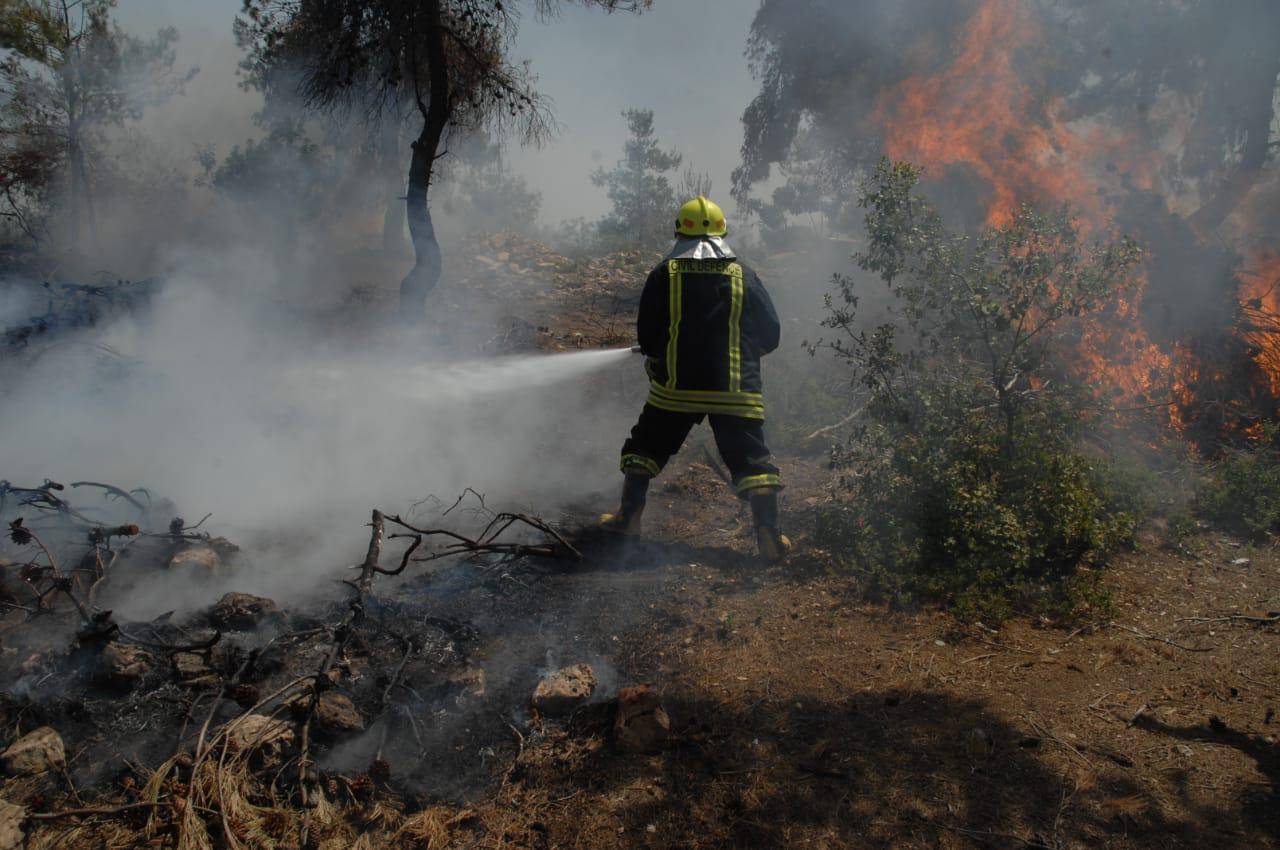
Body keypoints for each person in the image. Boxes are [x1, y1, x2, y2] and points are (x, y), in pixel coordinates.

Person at [600, 196, 791, 562]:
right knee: (754, 462)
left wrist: (661, 360)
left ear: (678, 232)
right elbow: (771, 334)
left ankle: (628, 519)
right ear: (723, 232)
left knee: (644, 448)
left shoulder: (664, 274)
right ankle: (769, 538)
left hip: (676, 391)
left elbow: (648, 336)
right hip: (736, 390)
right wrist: (743, 357)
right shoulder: (744, 275)